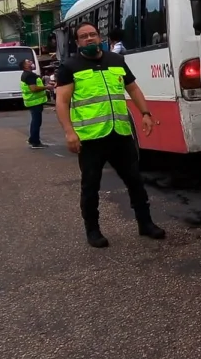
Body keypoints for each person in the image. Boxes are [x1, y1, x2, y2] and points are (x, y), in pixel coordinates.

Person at [54, 23, 165, 247]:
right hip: (91, 138)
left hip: (120, 134)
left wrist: (145, 113)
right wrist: (69, 132)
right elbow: (62, 101)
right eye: (83, 37)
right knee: (91, 186)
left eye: (92, 35)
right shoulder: (70, 66)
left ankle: (145, 223)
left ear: (99, 37)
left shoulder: (116, 61)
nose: (89, 39)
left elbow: (133, 89)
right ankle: (93, 231)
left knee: (135, 181)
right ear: (77, 42)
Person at [20, 59, 50, 149]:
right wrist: (46, 87)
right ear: (25, 66)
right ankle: (35, 142)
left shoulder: (26, 74)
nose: (31, 62)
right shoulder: (29, 75)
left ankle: (32, 139)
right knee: (36, 122)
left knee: (35, 121)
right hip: (35, 102)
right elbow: (33, 88)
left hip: (32, 102)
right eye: (28, 62)